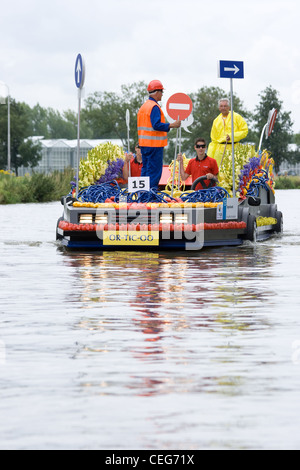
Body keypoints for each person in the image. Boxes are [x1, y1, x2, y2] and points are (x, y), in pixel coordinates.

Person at [137, 80, 181, 189]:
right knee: (154, 172)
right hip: (154, 145)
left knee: (146, 170)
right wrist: (171, 125)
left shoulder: (144, 107)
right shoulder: (154, 107)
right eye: (161, 92)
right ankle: (151, 196)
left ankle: (142, 196)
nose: (162, 95)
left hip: (144, 145)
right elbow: (156, 125)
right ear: (157, 92)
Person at [207, 98, 248, 166]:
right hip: (219, 152)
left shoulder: (236, 117)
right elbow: (214, 140)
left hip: (234, 149)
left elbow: (244, 131)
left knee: (233, 171)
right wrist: (210, 156)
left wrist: (232, 136)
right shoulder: (216, 121)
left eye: (225, 106)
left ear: (229, 107)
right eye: (221, 106)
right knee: (218, 172)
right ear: (219, 108)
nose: (223, 108)